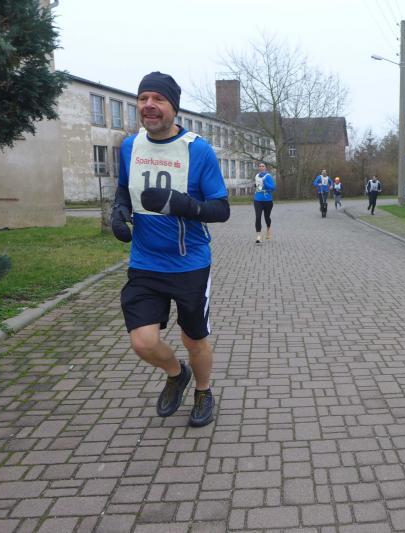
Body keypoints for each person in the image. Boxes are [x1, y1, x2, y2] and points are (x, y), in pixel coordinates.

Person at [109, 71, 230, 428]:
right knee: (143, 342)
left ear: (173, 107)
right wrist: (119, 211)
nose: (149, 105)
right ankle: (178, 374)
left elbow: (221, 209)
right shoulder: (130, 146)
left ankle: (203, 391)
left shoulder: (197, 150)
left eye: (158, 99)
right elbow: (123, 188)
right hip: (146, 262)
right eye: (143, 98)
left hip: (189, 263)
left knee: (193, 339)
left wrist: (181, 204)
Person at [253, 162, 275, 243]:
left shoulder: (268, 176)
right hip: (257, 199)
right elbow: (257, 185)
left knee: (267, 217)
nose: (261, 167)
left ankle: (268, 229)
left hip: (267, 200)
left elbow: (273, 188)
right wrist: (256, 185)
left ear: (265, 168)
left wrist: (265, 184)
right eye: (260, 166)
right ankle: (258, 236)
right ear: (258, 168)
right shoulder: (256, 176)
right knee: (258, 217)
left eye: (263, 166)